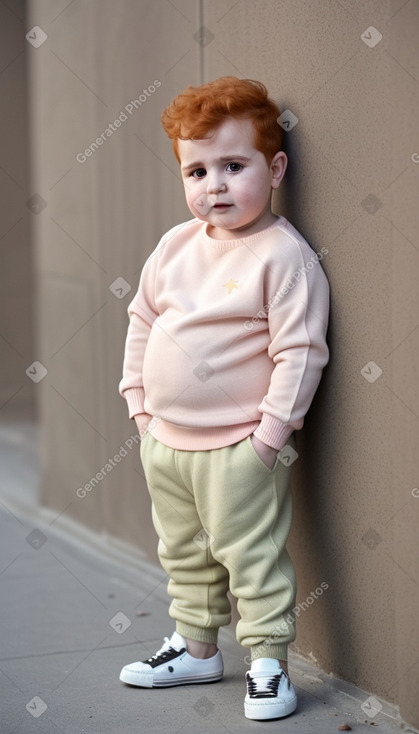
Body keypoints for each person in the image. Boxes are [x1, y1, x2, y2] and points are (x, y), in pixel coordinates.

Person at [118, 76, 330, 721]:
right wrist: (139, 406)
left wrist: (268, 438)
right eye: (197, 170)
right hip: (166, 441)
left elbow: (301, 353)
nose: (214, 185)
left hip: (238, 445)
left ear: (275, 168)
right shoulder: (175, 246)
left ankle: (268, 664)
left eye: (233, 167)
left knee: (251, 556)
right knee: (183, 551)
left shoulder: (284, 257)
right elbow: (143, 319)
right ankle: (197, 647)